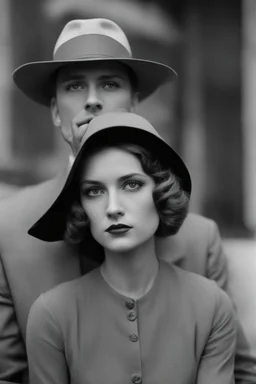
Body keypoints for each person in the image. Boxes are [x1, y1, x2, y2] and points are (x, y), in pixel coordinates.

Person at [0, 18, 248, 384]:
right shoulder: (8, 228)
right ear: (55, 111)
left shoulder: (199, 239)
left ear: (134, 103)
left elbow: (239, 370)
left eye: (110, 84)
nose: (92, 100)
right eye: (74, 86)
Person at [26, 111, 236, 384]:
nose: (113, 208)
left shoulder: (211, 305)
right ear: (81, 207)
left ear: (161, 191)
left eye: (132, 185)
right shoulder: (51, 314)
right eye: (94, 191)